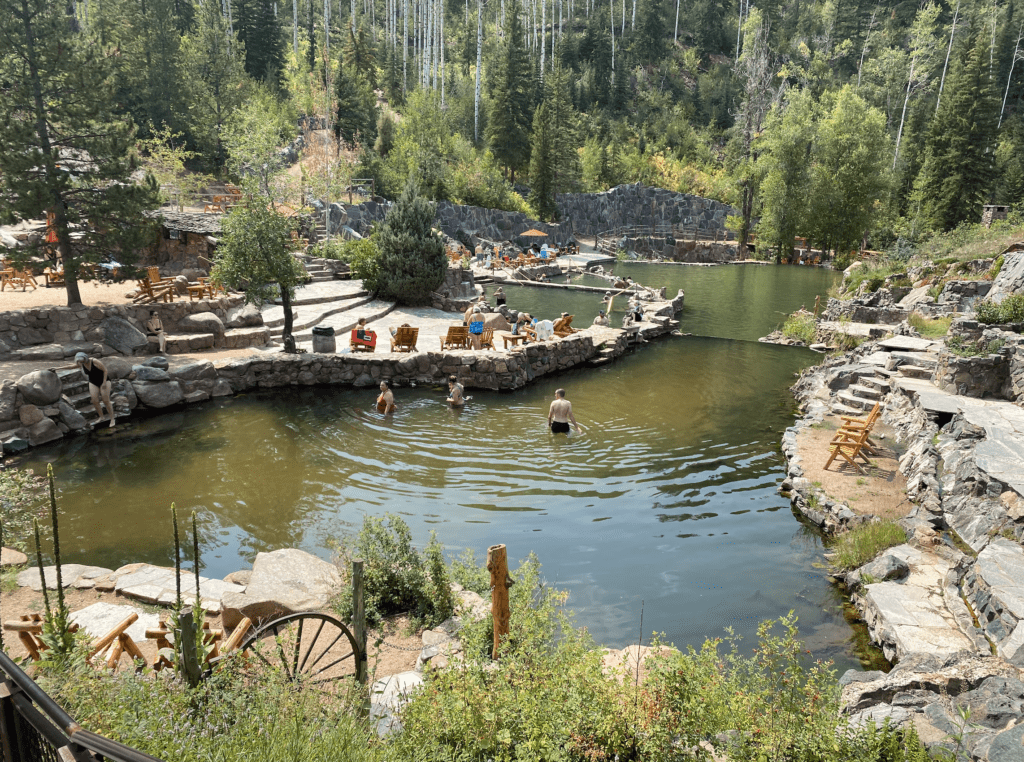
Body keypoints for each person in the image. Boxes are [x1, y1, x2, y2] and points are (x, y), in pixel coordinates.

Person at [75, 352, 116, 428]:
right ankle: (101, 417)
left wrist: (104, 383)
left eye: (82, 361)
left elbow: (105, 370)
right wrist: (58, 368)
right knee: (94, 400)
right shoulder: (81, 363)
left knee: (105, 400)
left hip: (104, 381)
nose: (81, 362)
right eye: (80, 362)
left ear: (85, 357)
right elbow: (72, 366)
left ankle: (112, 419)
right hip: (93, 382)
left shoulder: (94, 361)